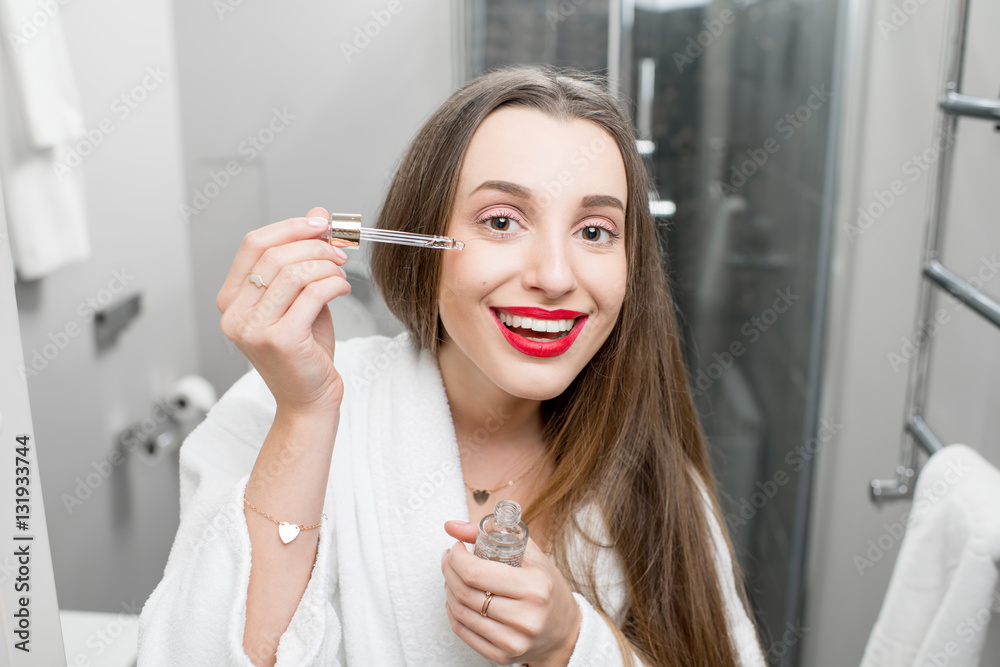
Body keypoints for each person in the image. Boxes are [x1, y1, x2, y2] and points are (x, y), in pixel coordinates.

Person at [137, 64, 767, 667]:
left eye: (595, 231)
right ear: (426, 242)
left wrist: (570, 646)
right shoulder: (271, 412)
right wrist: (304, 417)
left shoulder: (659, 478)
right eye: (501, 221)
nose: (553, 276)